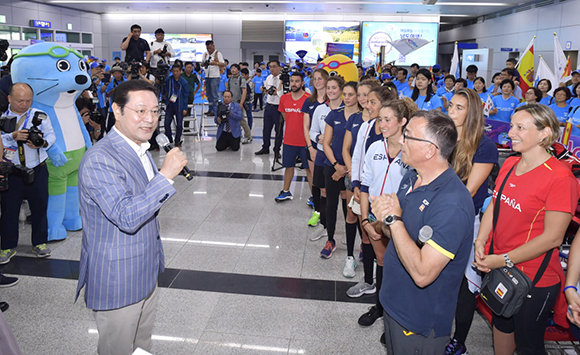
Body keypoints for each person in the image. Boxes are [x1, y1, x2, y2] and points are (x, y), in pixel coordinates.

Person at [76, 80, 188, 355]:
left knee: (141, 346)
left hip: (145, 271)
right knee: (118, 349)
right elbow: (126, 216)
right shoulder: (100, 159)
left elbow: (146, 205)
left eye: (155, 111)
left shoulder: (139, 147)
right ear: (117, 110)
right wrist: (165, 176)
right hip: (119, 278)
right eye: (140, 111)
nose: (149, 120)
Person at [474, 104, 579, 355]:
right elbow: (495, 205)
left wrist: (503, 259)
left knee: (529, 346)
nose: (510, 133)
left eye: (520, 127)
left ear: (544, 134)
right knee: (501, 330)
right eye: (511, 126)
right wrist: (480, 239)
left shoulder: (560, 177)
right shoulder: (510, 163)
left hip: (535, 278)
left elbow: (553, 237)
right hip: (500, 269)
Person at [371, 110, 474, 352]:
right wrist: (386, 219)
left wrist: (393, 220)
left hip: (419, 321)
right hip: (394, 303)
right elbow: (396, 234)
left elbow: (423, 274)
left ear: (430, 150)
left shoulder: (452, 204)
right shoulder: (411, 177)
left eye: (408, 137)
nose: (401, 141)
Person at [444, 88, 498, 355]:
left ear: (472, 112)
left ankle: (460, 340)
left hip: (467, 222)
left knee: (465, 285)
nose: (451, 111)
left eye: (458, 108)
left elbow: (470, 191)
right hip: (441, 217)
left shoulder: (485, 146)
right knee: (441, 278)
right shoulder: (444, 138)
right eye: (450, 106)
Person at [358, 98, 417, 334]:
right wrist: (364, 220)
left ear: (402, 122)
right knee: (382, 265)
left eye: (387, 119)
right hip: (375, 220)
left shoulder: (412, 151)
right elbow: (365, 185)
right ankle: (380, 308)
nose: (382, 124)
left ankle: (397, 319)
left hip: (401, 222)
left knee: (402, 269)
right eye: (380, 119)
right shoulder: (374, 148)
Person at [0, 83, 56, 264]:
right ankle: (7, 246)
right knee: (9, 210)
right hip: (11, 170)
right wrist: (12, 136)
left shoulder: (39, 115)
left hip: (37, 168)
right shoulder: (2, 117)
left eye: (28, 100)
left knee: (39, 207)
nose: (24, 104)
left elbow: (51, 135)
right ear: (10, 99)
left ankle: (39, 243)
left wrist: (42, 143)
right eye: (20, 100)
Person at [342, 79, 380, 298]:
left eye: (370, 98)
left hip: (378, 191)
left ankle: (378, 272)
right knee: (363, 229)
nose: (365, 101)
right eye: (363, 96)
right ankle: (366, 276)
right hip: (361, 186)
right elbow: (355, 155)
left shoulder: (385, 127)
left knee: (378, 234)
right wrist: (355, 181)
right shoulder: (362, 124)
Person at [321, 80, 359, 271]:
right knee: (331, 204)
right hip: (333, 166)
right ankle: (330, 240)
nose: (347, 97)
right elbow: (326, 143)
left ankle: (355, 243)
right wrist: (337, 166)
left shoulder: (363, 118)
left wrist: (347, 169)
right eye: (345, 94)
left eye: (351, 94)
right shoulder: (333, 114)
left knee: (352, 207)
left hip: (353, 170)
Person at [309, 76, 343, 254]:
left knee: (344, 195)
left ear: (341, 90)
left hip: (341, 158)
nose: (330, 91)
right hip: (323, 155)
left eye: (334, 88)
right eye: (328, 88)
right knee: (323, 192)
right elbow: (313, 130)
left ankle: (346, 232)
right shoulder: (320, 109)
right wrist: (317, 138)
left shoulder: (349, 110)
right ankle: (325, 228)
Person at [274, 73, 311, 201]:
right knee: (288, 166)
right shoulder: (284, 98)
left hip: (305, 141)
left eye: (297, 81)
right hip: (289, 140)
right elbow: (285, 117)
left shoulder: (309, 99)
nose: (294, 84)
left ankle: (314, 196)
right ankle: (286, 191)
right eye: (292, 81)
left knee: (309, 169)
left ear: (302, 83)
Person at [303, 68, 329, 233]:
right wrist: (310, 147)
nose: (317, 81)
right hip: (314, 147)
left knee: (329, 184)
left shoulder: (333, 99)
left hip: (331, 150)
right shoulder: (309, 101)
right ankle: (317, 212)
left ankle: (328, 214)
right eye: (315, 79)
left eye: (320, 78)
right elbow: (306, 127)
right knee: (316, 182)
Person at [256, 60, 282, 156]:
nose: (272, 69)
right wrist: (263, 89)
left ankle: (277, 150)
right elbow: (265, 88)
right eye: (270, 67)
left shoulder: (283, 79)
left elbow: (287, 93)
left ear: (279, 67)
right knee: (266, 129)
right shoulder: (268, 78)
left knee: (278, 130)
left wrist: (278, 93)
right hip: (269, 105)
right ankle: (265, 147)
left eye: (274, 66)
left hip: (279, 107)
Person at [163, 65, 189, 146]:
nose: (175, 73)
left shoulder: (184, 82)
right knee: (166, 123)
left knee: (179, 124)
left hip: (179, 106)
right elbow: (164, 90)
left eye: (177, 71)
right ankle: (170, 138)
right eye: (173, 71)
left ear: (180, 71)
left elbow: (186, 96)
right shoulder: (168, 80)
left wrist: (185, 108)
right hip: (170, 105)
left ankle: (177, 140)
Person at [226, 64, 252, 144]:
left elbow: (244, 91)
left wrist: (241, 103)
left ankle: (248, 137)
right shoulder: (230, 79)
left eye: (235, 68)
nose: (233, 70)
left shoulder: (241, 79)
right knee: (230, 119)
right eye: (232, 68)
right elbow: (228, 90)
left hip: (238, 103)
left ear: (238, 70)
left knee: (241, 120)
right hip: (231, 103)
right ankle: (233, 136)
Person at [202, 40, 226, 117]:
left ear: (213, 46)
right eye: (207, 48)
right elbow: (202, 63)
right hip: (207, 76)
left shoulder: (217, 53)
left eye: (210, 47)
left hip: (215, 77)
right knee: (208, 95)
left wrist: (215, 63)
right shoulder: (205, 54)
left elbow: (223, 63)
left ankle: (216, 111)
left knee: (214, 95)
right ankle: (210, 110)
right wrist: (204, 63)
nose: (209, 49)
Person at [102, 65, 126, 132]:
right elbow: (107, 94)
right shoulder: (111, 82)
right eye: (115, 73)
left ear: (121, 74)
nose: (117, 75)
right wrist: (112, 91)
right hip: (113, 109)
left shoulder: (126, 81)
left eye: (118, 73)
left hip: (124, 108)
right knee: (110, 128)